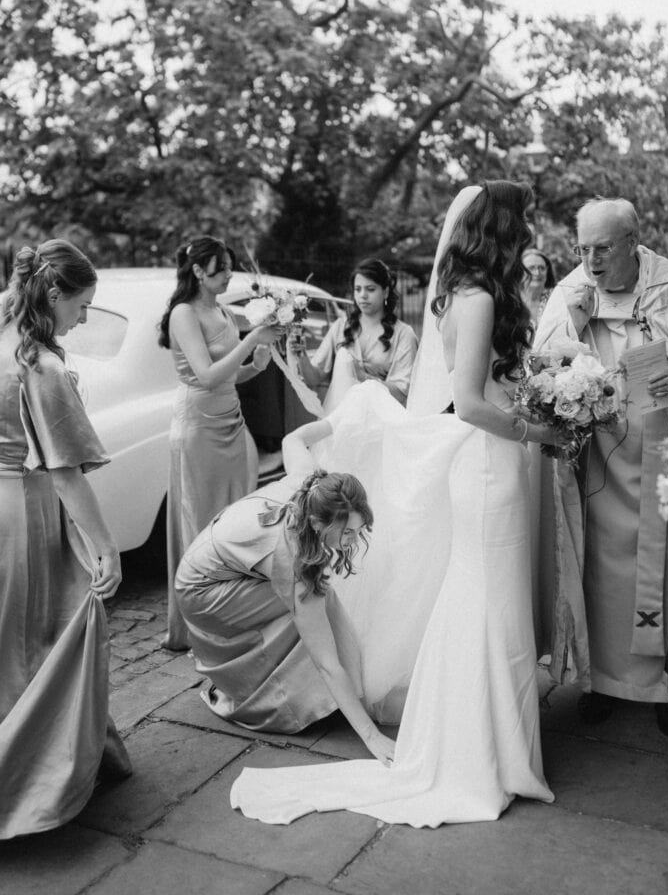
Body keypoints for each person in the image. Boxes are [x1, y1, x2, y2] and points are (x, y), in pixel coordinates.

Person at [230, 181, 558, 827]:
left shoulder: (459, 295)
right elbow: (467, 401)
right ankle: (482, 754)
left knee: (485, 602)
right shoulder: (482, 296)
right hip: (490, 467)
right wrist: (536, 430)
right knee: (489, 605)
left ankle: (489, 745)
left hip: (483, 463)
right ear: (501, 228)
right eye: (523, 223)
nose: (530, 236)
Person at [535, 197, 668, 737]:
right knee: (596, 567)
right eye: (582, 249)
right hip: (596, 458)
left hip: (667, 457)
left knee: (667, 567)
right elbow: (542, 363)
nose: (591, 261)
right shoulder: (572, 291)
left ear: (632, 243)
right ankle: (600, 682)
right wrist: (570, 333)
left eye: (602, 249)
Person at [0, 240, 131, 840]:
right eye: (82, 306)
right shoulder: (41, 366)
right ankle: (29, 783)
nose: (82, 319)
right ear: (54, 293)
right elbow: (63, 471)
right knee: (40, 639)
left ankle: (73, 755)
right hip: (23, 511)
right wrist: (105, 545)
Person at [174, 470, 396, 765]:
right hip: (202, 593)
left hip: (214, 566)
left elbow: (293, 441)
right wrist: (371, 736)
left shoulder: (313, 490)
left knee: (312, 602)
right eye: (347, 533)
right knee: (317, 600)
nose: (355, 540)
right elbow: (326, 663)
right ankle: (290, 698)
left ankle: (330, 688)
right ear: (317, 524)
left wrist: (339, 422)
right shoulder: (292, 559)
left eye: (359, 529)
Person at [159, 236, 281, 651]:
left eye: (228, 266)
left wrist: (257, 364)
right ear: (198, 271)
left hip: (233, 422)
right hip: (199, 429)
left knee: (236, 516)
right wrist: (252, 338)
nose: (230, 274)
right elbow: (207, 375)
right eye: (222, 268)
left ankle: (230, 611)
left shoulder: (222, 309)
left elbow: (230, 376)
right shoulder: (183, 313)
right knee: (202, 523)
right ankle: (199, 625)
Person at [288, 258, 418, 411]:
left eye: (370, 289)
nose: (363, 295)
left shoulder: (404, 334)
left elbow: (402, 393)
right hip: (341, 417)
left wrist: (363, 376)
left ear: (386, 292)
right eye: (358, 289)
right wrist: (301, 354)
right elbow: (314, 379)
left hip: (383, 418)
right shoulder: (341, 327)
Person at [521, 247, 556, 327]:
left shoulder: (556, 298)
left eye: (542, 268)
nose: (537, 273)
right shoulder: (511, 301)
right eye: (531, 268)